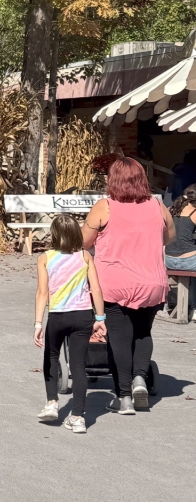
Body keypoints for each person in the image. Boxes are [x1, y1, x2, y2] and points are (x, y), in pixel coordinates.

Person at [82, 157, 175, 413]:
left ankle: (123, 397)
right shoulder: (157, 205)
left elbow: (84, 241)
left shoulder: (105, 207)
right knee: (143, 333)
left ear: (113, 180)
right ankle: (139, 380)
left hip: (115, 284)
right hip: (152, 283)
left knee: (118, 339)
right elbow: (170, 237)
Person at [34, 215, 107, 434]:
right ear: (76, 233)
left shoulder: (45, 258)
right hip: (82, 316)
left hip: (58, 316)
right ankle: (77, 417)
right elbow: (96, 288)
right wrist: (100, 319)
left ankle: (52, 403)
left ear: (54, 234)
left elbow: (42, 293)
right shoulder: (85, 256)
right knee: (78, 365)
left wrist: (38, 323)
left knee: (51, 356)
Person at [166, 184, 196, 318]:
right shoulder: (194, 212)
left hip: (169, 259)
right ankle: (194, 308)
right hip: (188, 261)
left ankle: (185, 305)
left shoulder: (172, 209)